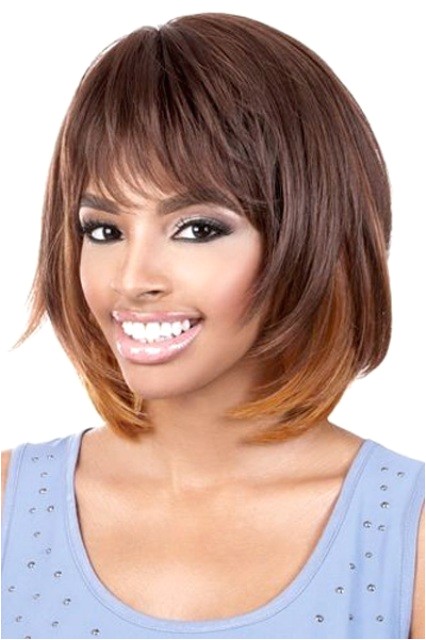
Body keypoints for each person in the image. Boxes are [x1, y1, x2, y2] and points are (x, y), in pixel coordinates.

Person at [1, 12, 424, 640]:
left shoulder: (407, 534)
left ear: (312, 237)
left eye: (197, 229)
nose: (132, 278)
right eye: (105, 230)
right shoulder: (9, 506)